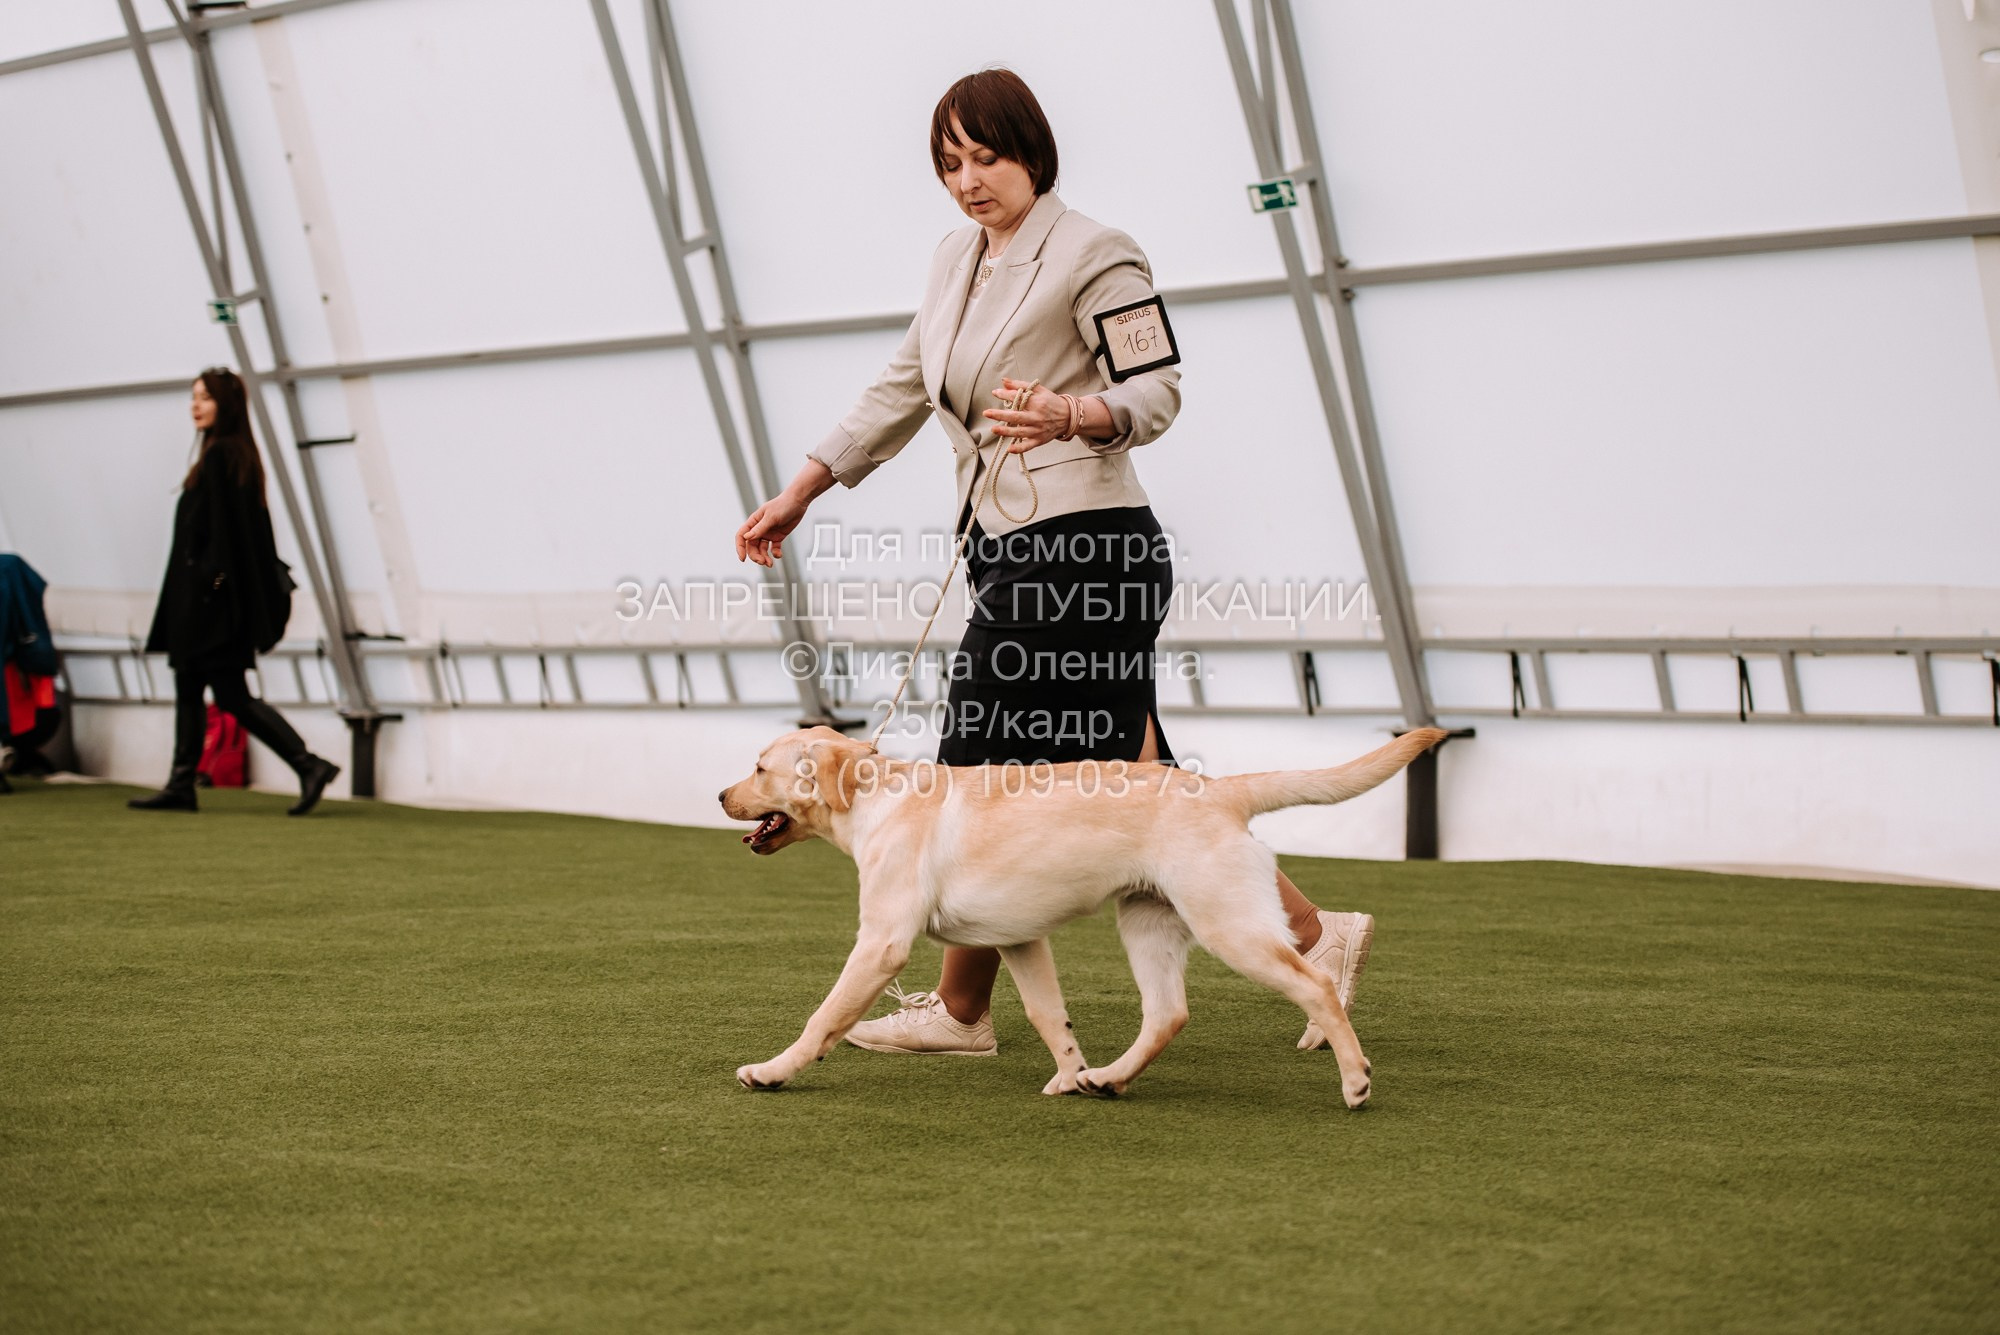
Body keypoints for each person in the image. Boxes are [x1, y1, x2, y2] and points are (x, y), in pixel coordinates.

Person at [734, 69, 1370, 1055]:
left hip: (1086, 551)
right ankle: (1316, 936)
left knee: (972, 752)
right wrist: (803, 488)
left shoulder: (1098, 252)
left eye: (984, 156)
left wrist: (1074, 412)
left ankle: (959, 1012)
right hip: (1007, 552)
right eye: (948, 163)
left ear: (1031, 150)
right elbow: (899, 387)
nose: (966, 180)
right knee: (1135, 777)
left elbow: (1154, 390)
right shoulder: (953, 259)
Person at [127, 368, 341, 816]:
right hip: (207, 606)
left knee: (227, 695)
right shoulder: (225, 455)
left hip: (209, 610)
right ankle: (183, 782)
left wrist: (212, 587)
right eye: (194, 397)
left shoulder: (225, 456)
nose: (196, 405)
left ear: (226, 404)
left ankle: (306, 765)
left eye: (205, 397)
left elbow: (227, 544)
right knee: (199, 690)